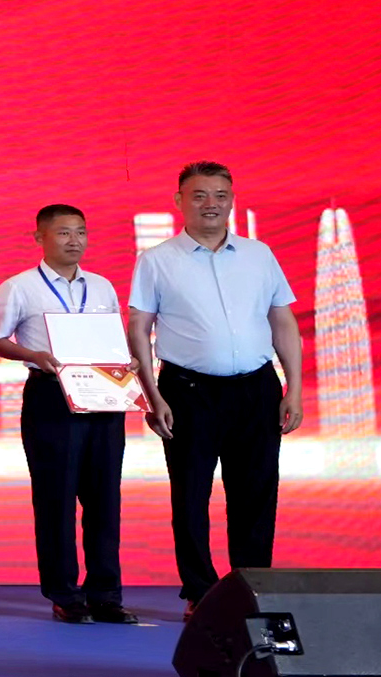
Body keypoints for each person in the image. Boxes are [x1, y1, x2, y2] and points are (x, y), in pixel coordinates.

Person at [129, 161, 304, 610]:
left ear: (231, 200)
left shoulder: (259, 254)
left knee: (256, 493)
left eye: (221, 195)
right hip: (188, 392)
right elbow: (139, 330)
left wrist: (294, 388)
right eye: (200, 195)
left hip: (256, 389)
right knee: (191, 495)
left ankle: (251, 587)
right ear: (179, 201)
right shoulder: (157, 260)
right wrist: (152, 395)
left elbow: (282, 320)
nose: (211, 204)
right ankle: (200, 593)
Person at [0, 203, 133, 624]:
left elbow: (112, 338)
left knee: (105, 499)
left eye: (81, 232)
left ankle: (106, 595)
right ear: (39, 237)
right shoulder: (20, 287)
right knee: (56, 498)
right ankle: (65, 594)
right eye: (64, 232)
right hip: (51, 394)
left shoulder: (101, 286)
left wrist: (126, 362)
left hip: (103, 395)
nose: (74, 241)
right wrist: (32, 355)